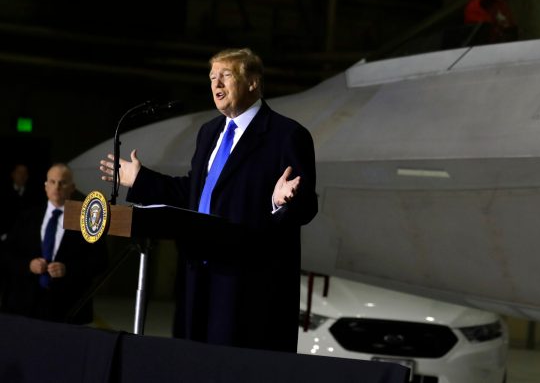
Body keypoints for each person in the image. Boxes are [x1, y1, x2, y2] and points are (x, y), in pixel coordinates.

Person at [99, 48, 317, 352]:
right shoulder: (209, 132)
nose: (216, 84)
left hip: (246, 285)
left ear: (253, 81)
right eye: (212, 77)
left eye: (226, 76)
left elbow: (307, 206)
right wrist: (141, 180)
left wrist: (283, 202)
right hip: (197, 275)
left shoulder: (286, 135)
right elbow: (196, 193)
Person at [0, 163, 108, 324]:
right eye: (52, 181)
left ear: (72, 187)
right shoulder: (27, 217)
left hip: (68, 308)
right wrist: (28, 265)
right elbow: (6, 255)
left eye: (62, 182)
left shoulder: (86, 221)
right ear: (45, 186)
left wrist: (68, 269)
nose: (56, 187)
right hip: (24, 307)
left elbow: (100, 261)